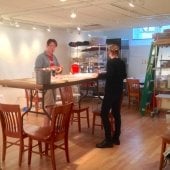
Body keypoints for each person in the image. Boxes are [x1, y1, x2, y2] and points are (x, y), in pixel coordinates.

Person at [96, 44, 127, 148]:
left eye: (108, 52)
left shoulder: (110, 62)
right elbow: (124, 75)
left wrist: (99, 74)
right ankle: (116, 138)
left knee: (104, 113)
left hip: (110, 92)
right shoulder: (122, 62)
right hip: (118, 91)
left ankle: (108, 139)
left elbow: (109, 75)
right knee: (116, 114)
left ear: (110, 52)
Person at [34, 39, 63, 124]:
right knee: (49, 106)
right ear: (47, 46)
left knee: (52, 105)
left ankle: (51, 126)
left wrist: (59, 68)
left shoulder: (54, 57)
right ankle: (46, 126)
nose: (52, 48)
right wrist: (49, 69)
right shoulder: (41, 57)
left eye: (54, 46)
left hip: (53, 82)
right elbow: (37, 69)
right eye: (51, 46)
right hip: (44, 83)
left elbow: (57, 69)